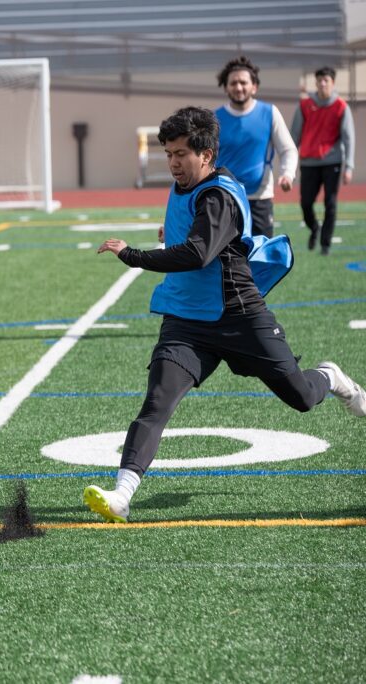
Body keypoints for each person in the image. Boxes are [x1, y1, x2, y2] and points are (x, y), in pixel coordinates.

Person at [83, 106, 366, 524]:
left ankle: (330, 376)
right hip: (186, 321)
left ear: (207, 155)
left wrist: (132, 255)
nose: (174, 162)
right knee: (157, 401)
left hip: (239, 316)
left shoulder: (218, 194)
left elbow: (199, 253)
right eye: (169, 154)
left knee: (302, 398)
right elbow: (190, 233)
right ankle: (122, 495)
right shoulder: (188, 187)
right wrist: (171, 232)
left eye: (182, 154)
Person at [214, 56, 297, 237]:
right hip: (225, 198)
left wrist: (287, 174)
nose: (238, 87)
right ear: (226, 87)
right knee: (228, 259)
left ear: (254, 86)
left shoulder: (270, 113)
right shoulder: (215, 118)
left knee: (261, 257)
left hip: (260, 198)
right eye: (233, 83)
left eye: (243, 82)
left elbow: (288, 149)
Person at [290, 66, 356, 255]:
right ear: (316, 83)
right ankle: (314, 228)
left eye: (326, 80)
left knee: (331, 203)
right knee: (306, 203)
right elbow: (294, 135)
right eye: (319, 80)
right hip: (308, 162)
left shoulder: (341, 106)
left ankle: (325, 244)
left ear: (332, 83)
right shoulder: (304, 105)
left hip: (332, 162)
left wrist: (349, 166)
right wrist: (290, 165)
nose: (322, 83)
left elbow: (348, 137)